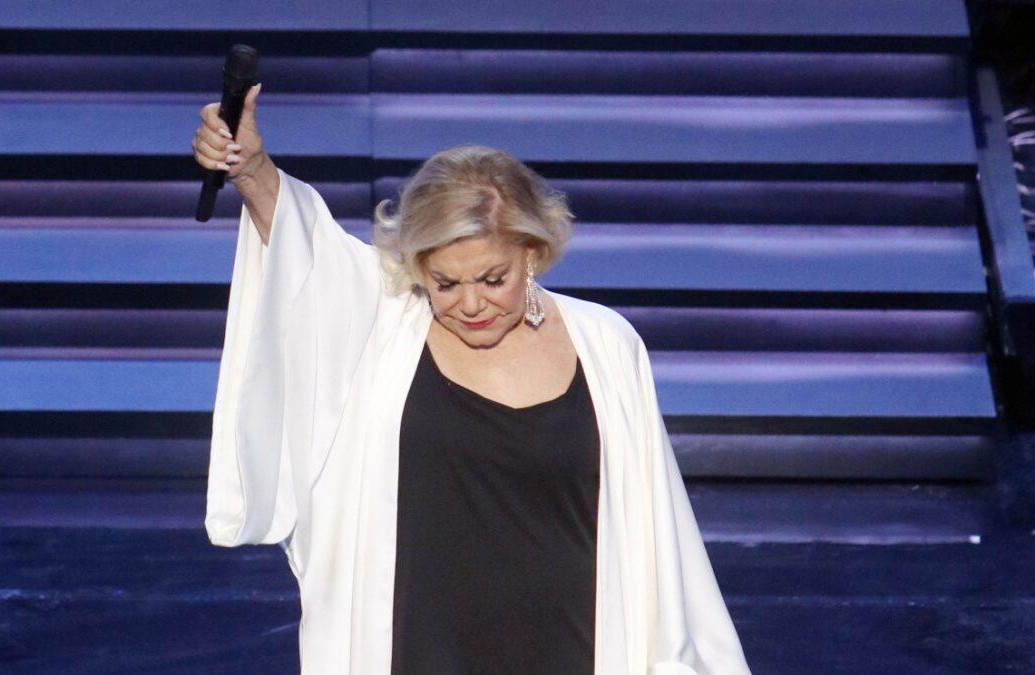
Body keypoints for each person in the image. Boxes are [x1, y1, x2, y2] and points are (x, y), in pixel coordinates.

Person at [192, 85, 751, 675]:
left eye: (492, 278)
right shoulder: (385, 326)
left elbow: (657, 533)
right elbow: (311, 259)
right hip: (421, 651)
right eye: (445, 283)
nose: (471, 304)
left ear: (531, 252)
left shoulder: (607, 346)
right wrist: (251, 169)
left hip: (575, 647)